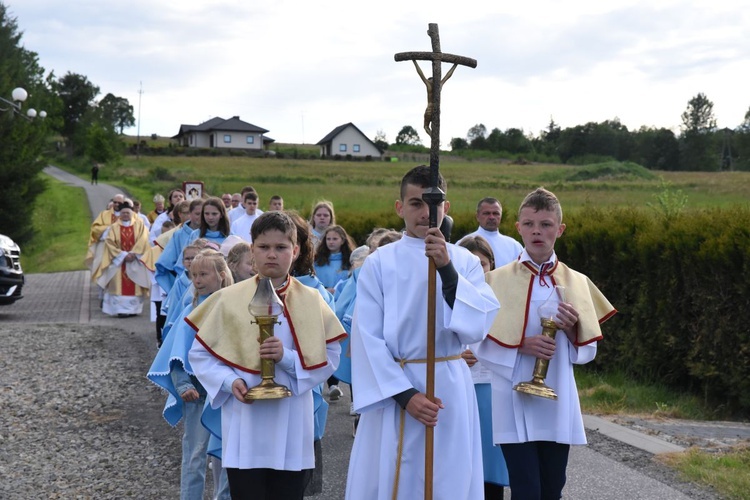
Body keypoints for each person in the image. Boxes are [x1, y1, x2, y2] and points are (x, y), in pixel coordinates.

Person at [345, 165, 500, 499]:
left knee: (449, 477)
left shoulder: (465, 261)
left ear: (447, 208)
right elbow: (366, 337)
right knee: (393, 477)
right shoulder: (379, 262)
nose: (426, 213)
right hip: (397, 390)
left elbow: (477, 325)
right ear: (400, 208)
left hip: (449, 387)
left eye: (434, 204)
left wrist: (446, 268)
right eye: (415, 203)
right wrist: (406, 396)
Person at [187, 211, 346, 499]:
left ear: (295, 251)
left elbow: (331, 354)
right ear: (252, 250)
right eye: (263, 247)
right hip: (244, 419)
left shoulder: (311, 301)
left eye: (281, 247)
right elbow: (200, 355)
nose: (272, 254)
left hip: (291, 421)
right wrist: (227, 381)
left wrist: (286, 357)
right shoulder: (229, 299)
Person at [474, 187, 617, 500]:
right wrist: (519, 345)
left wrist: (571, 329)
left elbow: (587, 352)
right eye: (529, 224)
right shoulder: (495, 281)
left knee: (553, 488)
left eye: (546, 224)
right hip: (512, 399)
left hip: (557, 399)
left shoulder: (576, 282)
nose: (537, 231)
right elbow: (477, 342)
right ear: (518, 228)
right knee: (526, 488)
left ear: (560, 229)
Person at [147, 249, 233, 500]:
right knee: (196, 454)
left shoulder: (233, 308)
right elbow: (175, 355)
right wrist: (183, 384)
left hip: (227, 393)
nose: (197, 279)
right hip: (198, 395)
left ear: (221, 275)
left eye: (204, 274)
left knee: (228, 454)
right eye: (193, 274)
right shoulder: (191, 311)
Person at [458, 235, 509, 499]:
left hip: (489, 387)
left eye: (482, 264)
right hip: (457, 386)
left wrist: (486, 353)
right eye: (470, 263)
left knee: (490, 465)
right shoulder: (447, 294)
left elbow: (511, 339)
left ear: (492, 265)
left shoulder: (500, 297)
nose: (477, 269)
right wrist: (456, 356)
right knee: (461, 460)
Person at [92, 200, 152, 317]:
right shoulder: (113, 228)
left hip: (135, 261)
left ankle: (134, 310)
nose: (125, 215)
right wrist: (123, 255)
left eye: (127, 213)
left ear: (132, 213)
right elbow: (109, 243)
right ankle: (120, 310)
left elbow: (144, 240)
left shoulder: (140, 225)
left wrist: (134, 253)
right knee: (117, 285)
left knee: (136, 284)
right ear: (119, 214)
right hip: (118, 263)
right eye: (123, 213)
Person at [458, 197, 523, 266]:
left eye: (495, 213)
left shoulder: (514, 246)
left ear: (501, 216)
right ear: (477, 216)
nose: (491, 217)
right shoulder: (464, 243)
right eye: (486, 213)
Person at [412, 60, 458, 136]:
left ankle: (432, 137)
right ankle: (434, 137)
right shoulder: (439, 85)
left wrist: (414, 62)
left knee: (426, 126)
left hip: (429, 109)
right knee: (435, 127)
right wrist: (455, 65)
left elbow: (420, 74)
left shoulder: (428, 84)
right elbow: (448, 76)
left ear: (429, 80)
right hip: (437, 110)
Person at [313, 225, 355, 294]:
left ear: (342, 241)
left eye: (335, 239)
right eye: (328, 239)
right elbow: (312, 283)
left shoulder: (351, 260)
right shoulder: (316, 260)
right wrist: (324, 290)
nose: (331, 242)